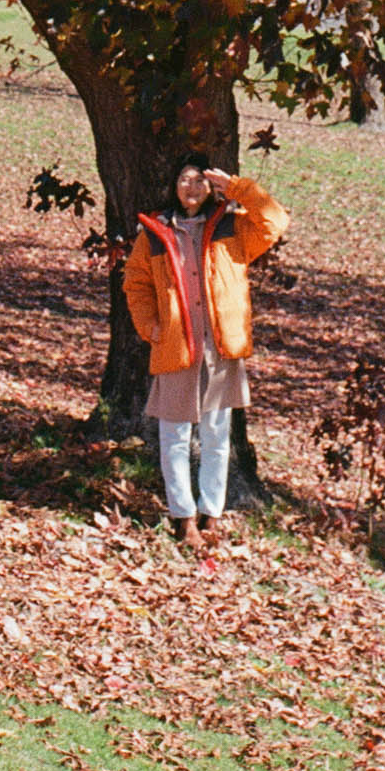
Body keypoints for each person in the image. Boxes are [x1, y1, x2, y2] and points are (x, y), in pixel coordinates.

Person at [125, 159, 286, 548]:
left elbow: (275, 221)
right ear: (173, 186)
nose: (192, 187)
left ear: (210, 186)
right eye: (184, 179)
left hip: (220, 348)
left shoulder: (232, 225)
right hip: (177, 349)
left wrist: (238, 188)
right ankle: (183, 519)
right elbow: (135, 283)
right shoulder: (155, 232)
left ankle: (210, 516)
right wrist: (151, 328)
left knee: (217, 436)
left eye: (199, 180)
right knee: (175, 437)